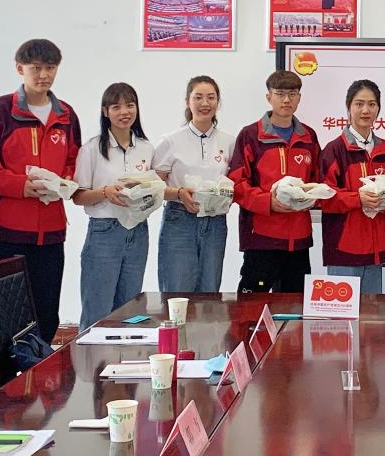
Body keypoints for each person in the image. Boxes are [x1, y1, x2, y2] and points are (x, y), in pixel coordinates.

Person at [0, 39, 81, 344]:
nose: (43, 75)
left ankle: (40, 373)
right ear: (20, 69)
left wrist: (65, 180)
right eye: (36, 68)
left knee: (47, 316)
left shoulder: (67, 114)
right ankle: (8, 376)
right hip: (8, 231)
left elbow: (74, 158)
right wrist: (21, 186)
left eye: (50, 68)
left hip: (52, 232)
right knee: (8, 317)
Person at [229, 70, 321, 293]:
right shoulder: (250, 135)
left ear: (299, 98)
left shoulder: (309, 136)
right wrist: (267, 202)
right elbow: (237, 183)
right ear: (269, 97)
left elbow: (318, 179)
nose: (286, 100)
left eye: (292, 94)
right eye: (280, 94)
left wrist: (312, 196)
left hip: (298, 239)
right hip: (262, 238)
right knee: (251, 307)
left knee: (295, 307)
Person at [72, 83, 155, 330]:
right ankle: (89, 357)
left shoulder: (146, 148)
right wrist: (105, 193)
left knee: (129, 310)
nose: (124, 112)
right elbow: (78, 196)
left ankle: (124, 355)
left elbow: (154, 187)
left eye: (130, 105)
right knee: (97, 311)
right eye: (116, 107)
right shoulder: (92, 149)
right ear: (105, 112)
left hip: (138, 231)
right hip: (104, 232)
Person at [154, 76, 233, 293]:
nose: (205, 103)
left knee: (209, 292)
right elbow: (153, 187)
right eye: (198, 97)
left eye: (211, 97)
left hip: (215, 221)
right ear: (187, 101)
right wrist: (178, 193)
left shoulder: (229, 141)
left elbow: (235, 182)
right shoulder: (171, 141)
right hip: (179, 220)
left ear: (218, 102)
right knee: (176, 291)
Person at [318, 80, 385, 293]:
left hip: (376, 248)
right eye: (359, 104)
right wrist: (358, 199)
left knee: (373, 311)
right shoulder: (334, 150)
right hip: (344, 249)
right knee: (343, 313)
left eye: (372, 104)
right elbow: (323, 197)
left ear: (378, 108)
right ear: (348, 107)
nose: (366, 110)